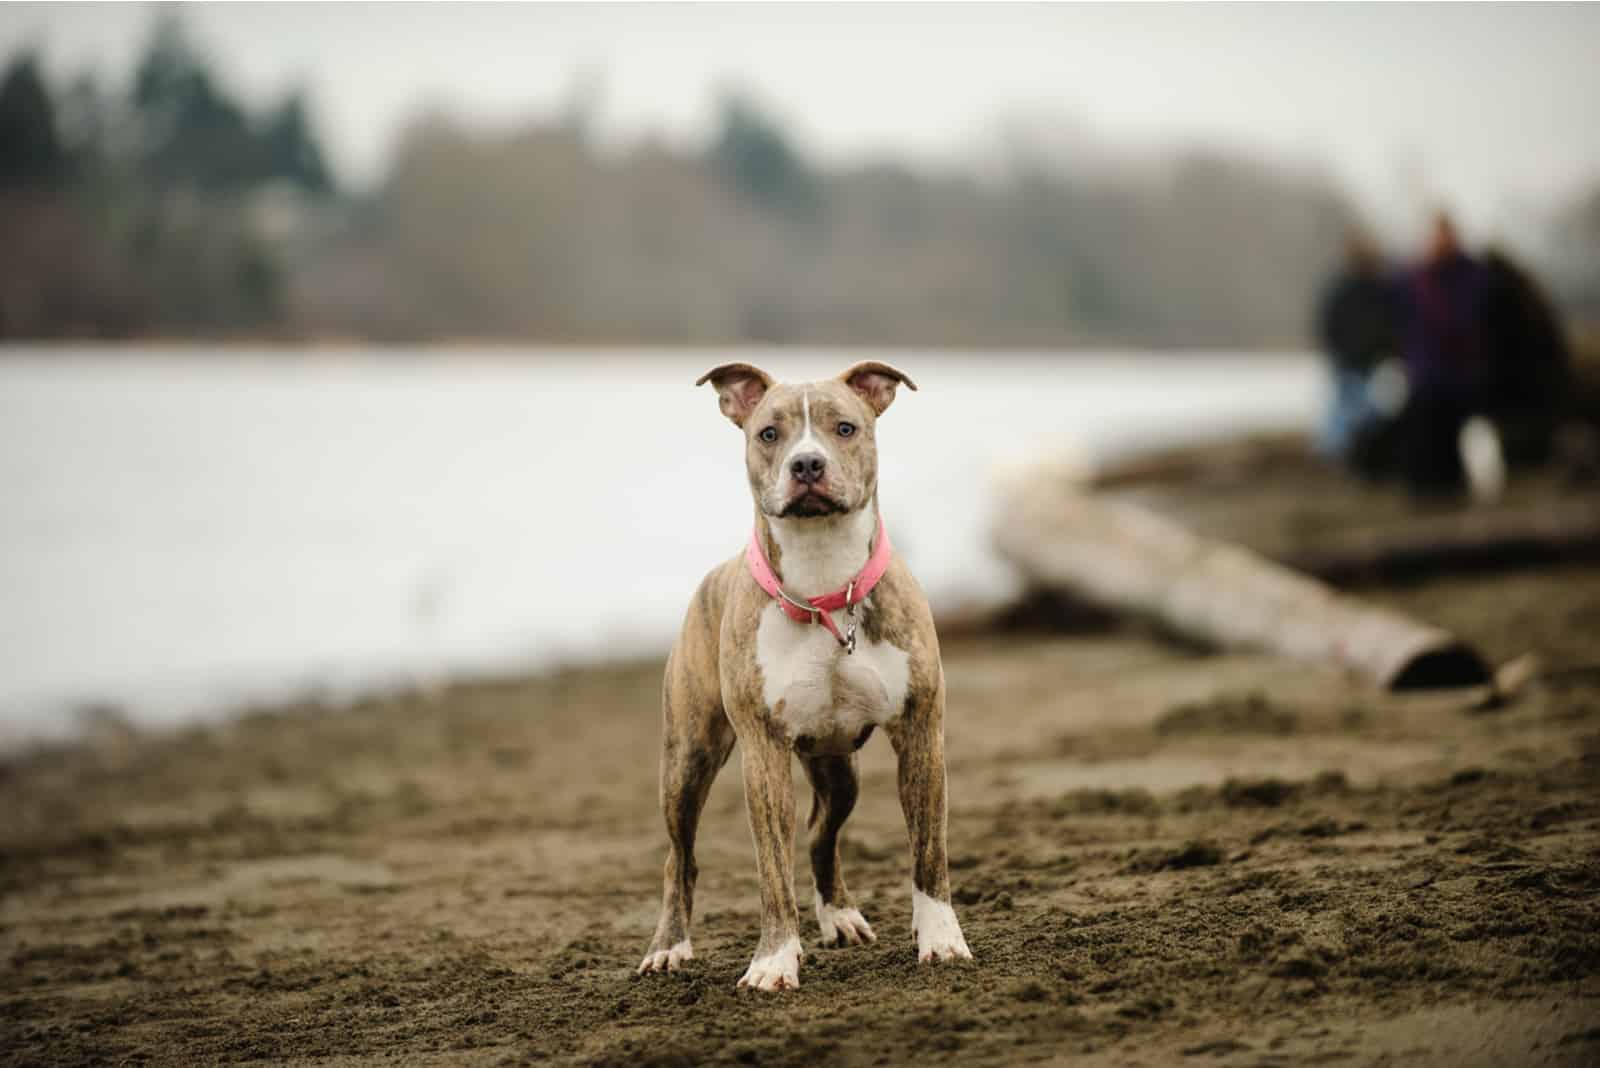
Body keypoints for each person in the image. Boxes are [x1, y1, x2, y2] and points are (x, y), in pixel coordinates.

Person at [1396, 212, 1487, 498]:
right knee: (1423, 432)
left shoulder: (1468, 274)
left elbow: (1467, 318)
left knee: (1452, 433)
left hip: (1457, 370)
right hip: (1426, 369)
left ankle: (1451, 486)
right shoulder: (1418, 275)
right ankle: (1424, 488)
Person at [1315, 228, 1396, 461]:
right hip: (1348, 362)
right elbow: (1329, 324)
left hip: (1371, 362)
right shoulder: (1342, 289)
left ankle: (1357, 454)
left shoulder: (1381, 289)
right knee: (1343, 413)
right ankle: (1335, 455)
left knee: (1365, 412)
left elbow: (1388, 323)